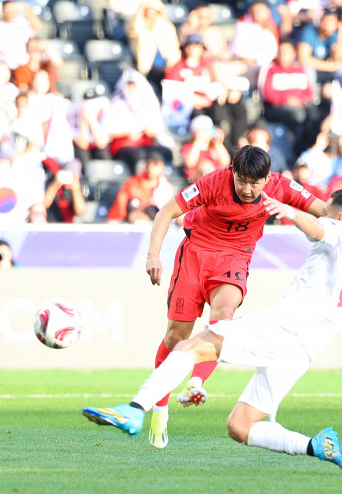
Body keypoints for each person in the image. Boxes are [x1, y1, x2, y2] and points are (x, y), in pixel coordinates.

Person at [83, 187, 342, 475]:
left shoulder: (340, 232)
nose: (324, 217)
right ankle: (316, 445)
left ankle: (136, 409)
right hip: (304, 351)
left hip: (284, 328)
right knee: (241, 426)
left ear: (340, 217)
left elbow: (318, 228)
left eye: (327, 213)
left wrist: (287, 210)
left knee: (190, 347)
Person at [137, 145, 327, 449]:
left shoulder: (280, 186)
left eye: (256, 183)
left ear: (267, 179)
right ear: (232, 174)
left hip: (235, 258)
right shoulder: (214, 182)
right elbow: (166, 211)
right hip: (195, 252)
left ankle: (196, 382)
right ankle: (160, 409)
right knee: (175, 338)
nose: (249, 189)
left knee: (223, 318)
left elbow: (324, 210)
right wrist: (153, 256)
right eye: (242, 181)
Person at [106, 150, 173, 223]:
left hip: (156, 221)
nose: (151, 167)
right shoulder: (133, 182)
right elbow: (121, 202)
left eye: (155, 164)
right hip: (134, 220)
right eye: (148, 163)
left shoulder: (164, 186)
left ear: (162, 168)